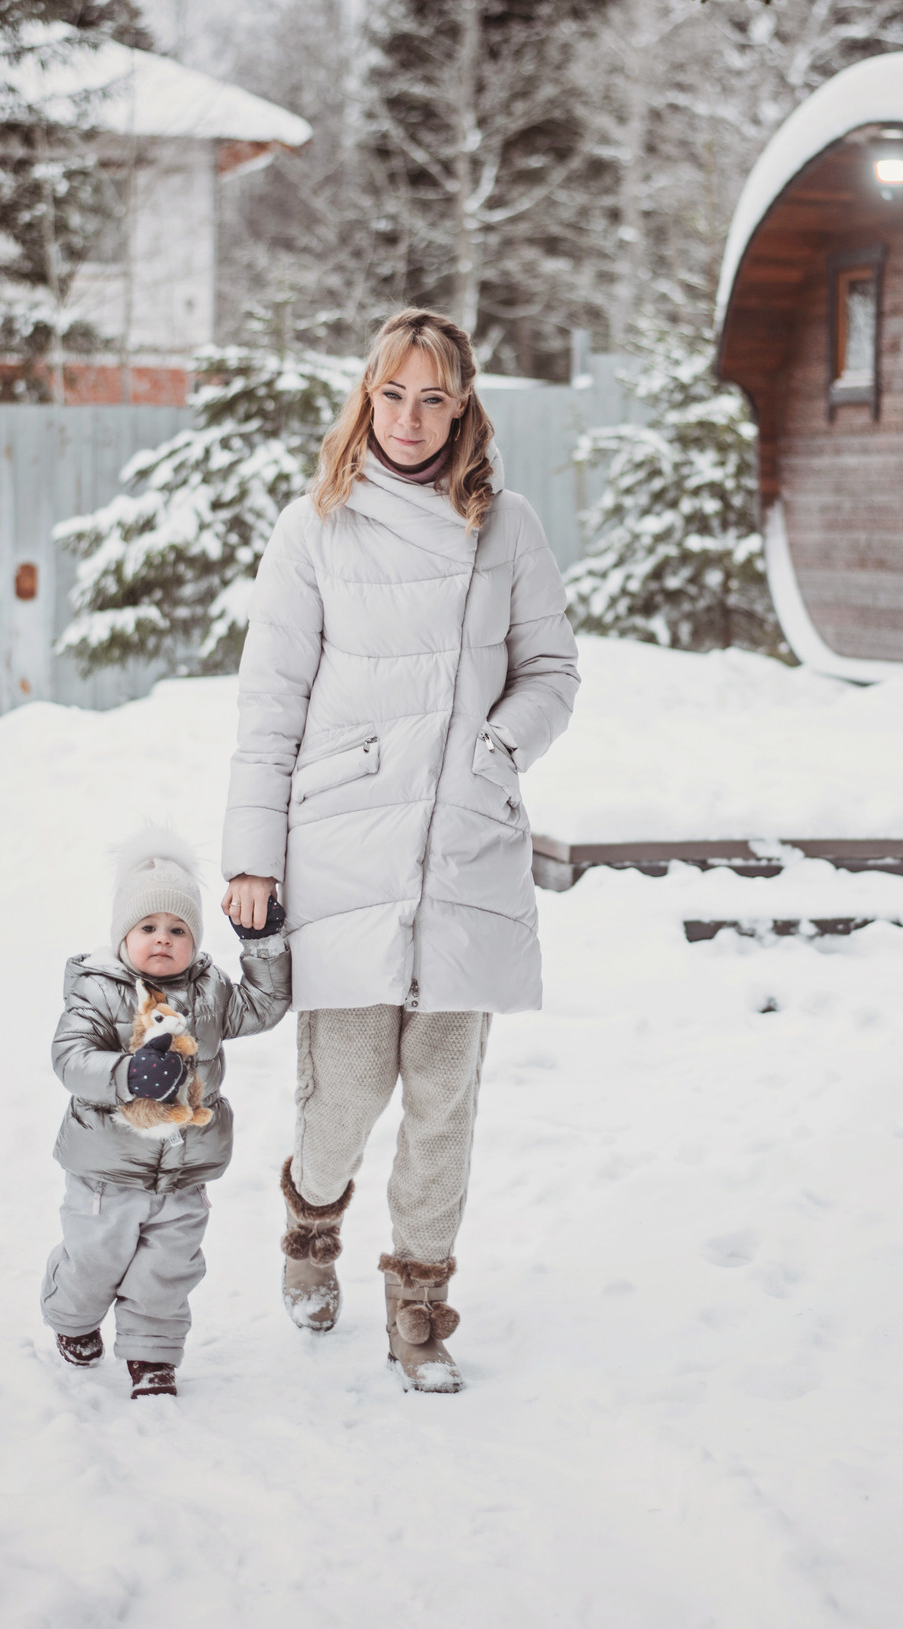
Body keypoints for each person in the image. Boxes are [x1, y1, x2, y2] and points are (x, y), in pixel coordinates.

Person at [221, 308, 579, 1392]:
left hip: (464, 847)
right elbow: (268, 701)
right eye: (392, 395)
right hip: (343, 846)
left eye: (434, 397)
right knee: (342, 1099)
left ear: (462, 402)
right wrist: (252, 858)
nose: (412, 419)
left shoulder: (504, 526)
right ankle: (309, 1218)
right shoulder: (315, 526)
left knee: (443, 1098)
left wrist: (494, 745)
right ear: (364, 398)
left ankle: (420, 1302)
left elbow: (551, 671)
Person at [42, 840, 289, 1398]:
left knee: (167, 1271)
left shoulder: (211, 991)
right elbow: (71, 1057)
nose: (163, 939)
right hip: (107, 1174)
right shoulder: (97, 991)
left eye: (178, 930)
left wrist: (263, 943)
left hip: (183, 1171)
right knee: (93, 1263)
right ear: (123, 936)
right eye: (148, 926)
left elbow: (266, 1005)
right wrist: (128, 1074)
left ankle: (152, 1356)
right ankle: (72, 1319)